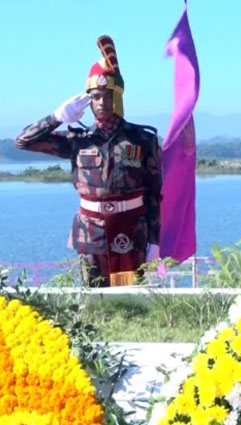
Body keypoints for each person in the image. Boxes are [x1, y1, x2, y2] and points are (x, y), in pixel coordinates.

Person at [14, 35, 162, 287]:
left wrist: (155, 241)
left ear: (118, 97)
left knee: (131, 295)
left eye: (108, 95)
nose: (102, 102)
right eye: (95, 96)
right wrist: (56, 117)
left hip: (132, 229)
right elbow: (23, 141)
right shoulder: (78, 140)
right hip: (91, 232)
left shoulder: (142, 139)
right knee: (94, 296)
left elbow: (154, 193)